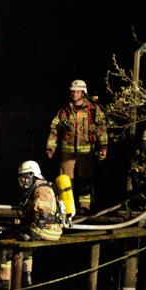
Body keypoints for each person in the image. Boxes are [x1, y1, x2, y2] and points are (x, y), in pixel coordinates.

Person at [0, 161, 65, 288]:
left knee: (5, 241)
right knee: (25, 241)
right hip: (49, 230)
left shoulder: (41, 189)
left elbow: (43, 210)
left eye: (27, 178)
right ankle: (27, 277)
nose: (24, 182)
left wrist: (38, 221)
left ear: (35, 175)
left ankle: (4, 280)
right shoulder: (39, 187)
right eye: (21, 179)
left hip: (45, 230)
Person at [46, 79, 108, 213]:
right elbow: (54, 129)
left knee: (85, 179)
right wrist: (50, 147)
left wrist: (103, 146)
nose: (74, 94)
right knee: (66, 180)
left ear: (83, 93)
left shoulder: (93, 110)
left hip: (86, 152)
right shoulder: (64, 111)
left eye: (77, 92)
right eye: (72, 92)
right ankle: (66, 206)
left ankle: (84, 206)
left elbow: (101, 129)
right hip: (67, 153)